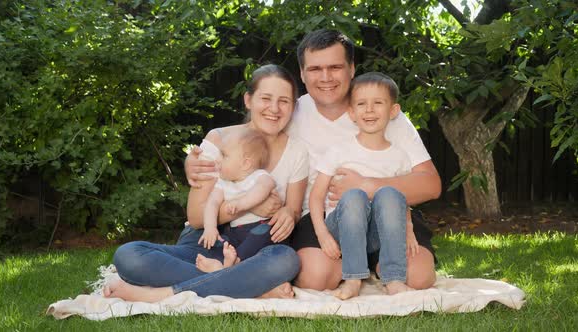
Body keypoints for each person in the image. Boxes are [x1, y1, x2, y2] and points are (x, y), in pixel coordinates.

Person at [103, 64, 308, 302]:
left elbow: (293, 210)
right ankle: (251, 287)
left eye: (284, 101)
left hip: (253, 249)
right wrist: (251, 206)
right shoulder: (218, 139)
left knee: (286, 259)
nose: (274, 108)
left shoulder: (297, 151)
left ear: (293, 107)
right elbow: (197, 216)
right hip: (205, 243)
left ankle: (164, 294)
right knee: (129, 255)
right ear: (248, 100)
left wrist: (287, 214)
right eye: (265, 98)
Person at [285, 29, 441, 291]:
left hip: (388, 215)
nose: (325, 78)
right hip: (326, 218)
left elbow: (431, 184)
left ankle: (378, 265)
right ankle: (353, 268)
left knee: (419, 278)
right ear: (302, 73)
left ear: (352, 68)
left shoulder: (380, 110)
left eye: (335, 67)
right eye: (315, 69)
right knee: (316, 278)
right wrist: (207, 150)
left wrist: (367, 185)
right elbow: (249, 141)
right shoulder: (291, 113)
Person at [309, 72, 422, 300]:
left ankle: (394, 280)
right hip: (342, 227)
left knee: (390, 192)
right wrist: (322, 235)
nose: (369, 110)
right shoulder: (338, 151)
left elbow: (402, 201)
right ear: (352, 112)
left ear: (393, 110)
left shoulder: (399, 156)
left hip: (379, 232)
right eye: (361, 104)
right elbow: (316, 196)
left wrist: (409, 230)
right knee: (355, 196)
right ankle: (353, 278)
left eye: (378, 103)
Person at [196, 128, 278, 272]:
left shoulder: (259, 176)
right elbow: (212, 203)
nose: (218, 159)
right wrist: (210, 228)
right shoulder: (223, 183)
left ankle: (233, 263)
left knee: (264, 234)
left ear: (245, 164)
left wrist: (241, 204)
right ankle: (224, 263)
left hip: (259, 227)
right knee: (220, 241)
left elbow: (263, 189)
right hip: (235, 233)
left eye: (224, 155)